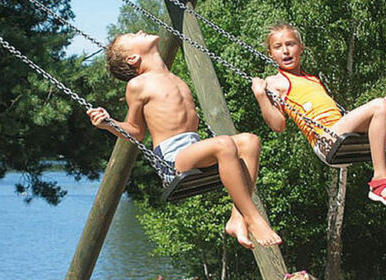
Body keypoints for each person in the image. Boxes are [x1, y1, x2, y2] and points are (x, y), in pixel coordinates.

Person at [87, 31, 281, 249]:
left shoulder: (174, 78)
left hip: (193, 148)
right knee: (224, 144)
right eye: (133, 35)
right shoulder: (138, 84)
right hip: (173, 160)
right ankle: (254, 218)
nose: (140, 31)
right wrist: (108, 122)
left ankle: (237, 217)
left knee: (250, 141)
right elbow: (136, 131)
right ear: (133, 58)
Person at [252, 23, 386, 210]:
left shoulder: (312, 78)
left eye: (290, 44)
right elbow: (278, 125)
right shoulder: (275, 82)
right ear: (270, 53)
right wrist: (260, 96)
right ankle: (380, 180)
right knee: (381, 105)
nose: (285, 51)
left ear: (301, 48)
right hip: (325, 139)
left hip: (338, 129)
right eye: (278, 47)